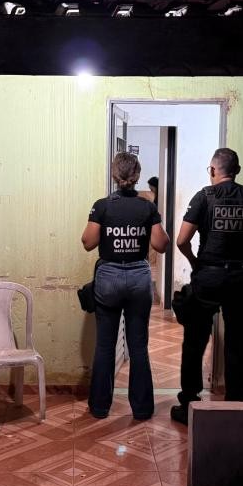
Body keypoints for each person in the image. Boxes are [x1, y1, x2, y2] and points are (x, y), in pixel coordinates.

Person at [170, 148, 243, 425]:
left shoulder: (204, 196)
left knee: (195, 341)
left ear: (213, 170)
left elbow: (181, 240)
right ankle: (236, 403)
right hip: (242, 279)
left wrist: (196, 262)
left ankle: (189, 403)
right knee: (237, 342)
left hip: (209, 278)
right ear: (237, 170)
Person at [81, 152, 170, 420]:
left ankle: (99, 407)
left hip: (108, 278)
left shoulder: (102, 206)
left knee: (105, 346)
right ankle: (142, 409)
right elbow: (161, 245)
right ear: (137, 176)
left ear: (114, 174)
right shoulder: (147, 208)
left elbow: (88, 242)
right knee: (138, 346)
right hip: (139, 279)